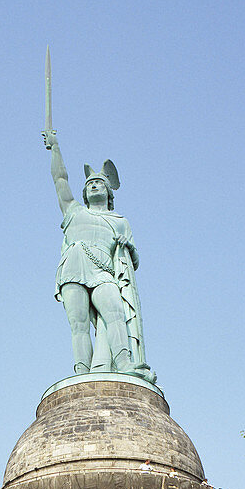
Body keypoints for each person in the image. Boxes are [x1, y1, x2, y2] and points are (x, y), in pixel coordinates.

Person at [42, 127, 154, 382]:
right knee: (78, 325)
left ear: (108, 192)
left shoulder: (119, 221)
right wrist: (56, 148)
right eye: (89, 184)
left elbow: (133, 263)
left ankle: (124, 362)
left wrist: (129, 246)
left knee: (115, 312)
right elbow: (60, 179)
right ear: (84, 192)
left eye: (98, 183)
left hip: (104, 272)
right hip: (73, 268)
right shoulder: (74, 212)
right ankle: (82, 372)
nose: (93, 186)